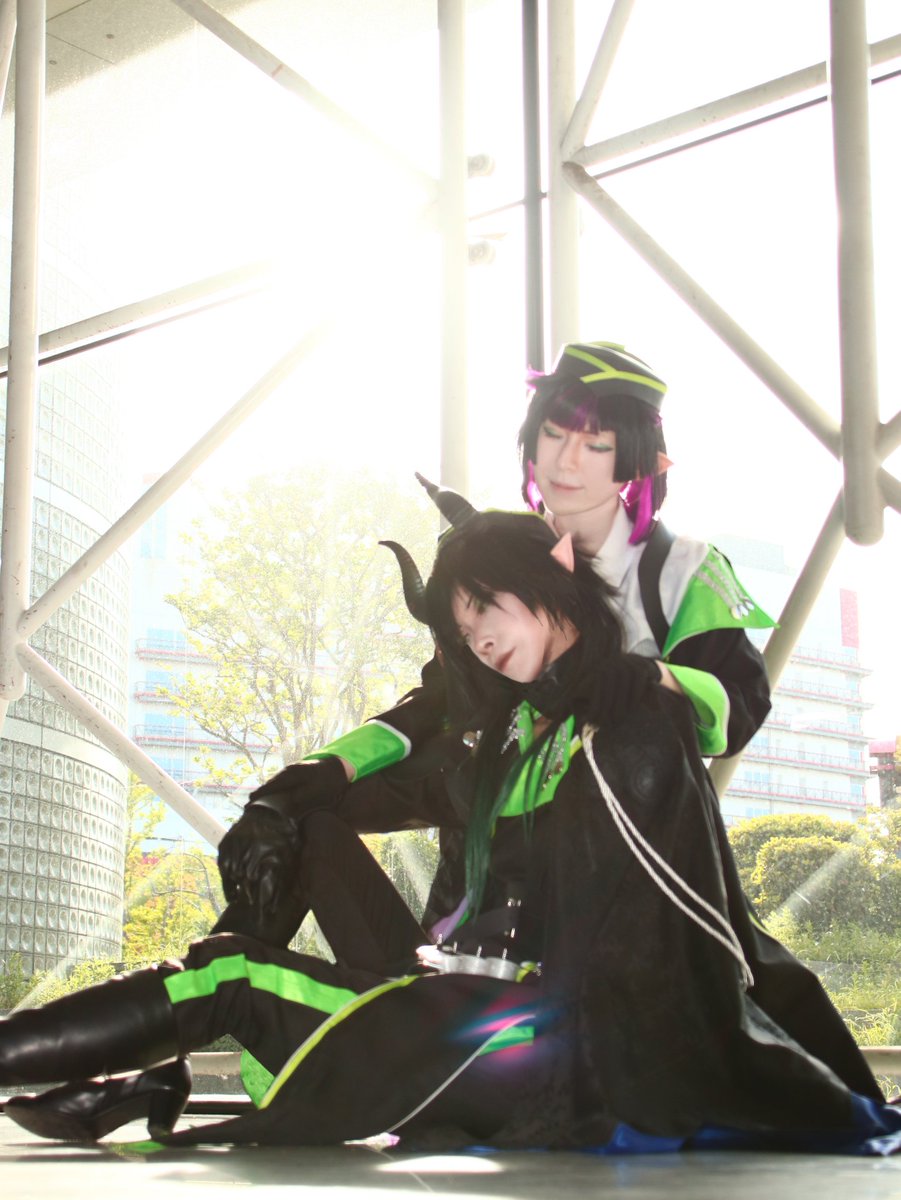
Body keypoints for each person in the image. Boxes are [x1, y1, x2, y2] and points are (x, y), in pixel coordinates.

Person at [1, 512, 898, 1154]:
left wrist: (648, 687)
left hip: (543, 1043)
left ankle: (148, 1070)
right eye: (462, 631)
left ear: (553, 575)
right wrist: (278, 803)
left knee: (231, 977)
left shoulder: (627, 723)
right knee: (298, 833)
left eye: (485, 611)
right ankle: (160, 1074)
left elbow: (677, 924)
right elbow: (390, 764)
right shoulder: (508, 739)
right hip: (468, 1001)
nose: (477, 643)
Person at [215, 340, 776, 940]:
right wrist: (317, 775)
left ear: (641, 461)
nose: (565, 462)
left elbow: (738, 705)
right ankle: (215, 970)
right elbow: (438, 704)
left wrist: (651, 680)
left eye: (596, 445)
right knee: (298, 815)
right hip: (495, 840)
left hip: (622, 868)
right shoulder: (503, 558)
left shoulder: (679, 570)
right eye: (553, 434)